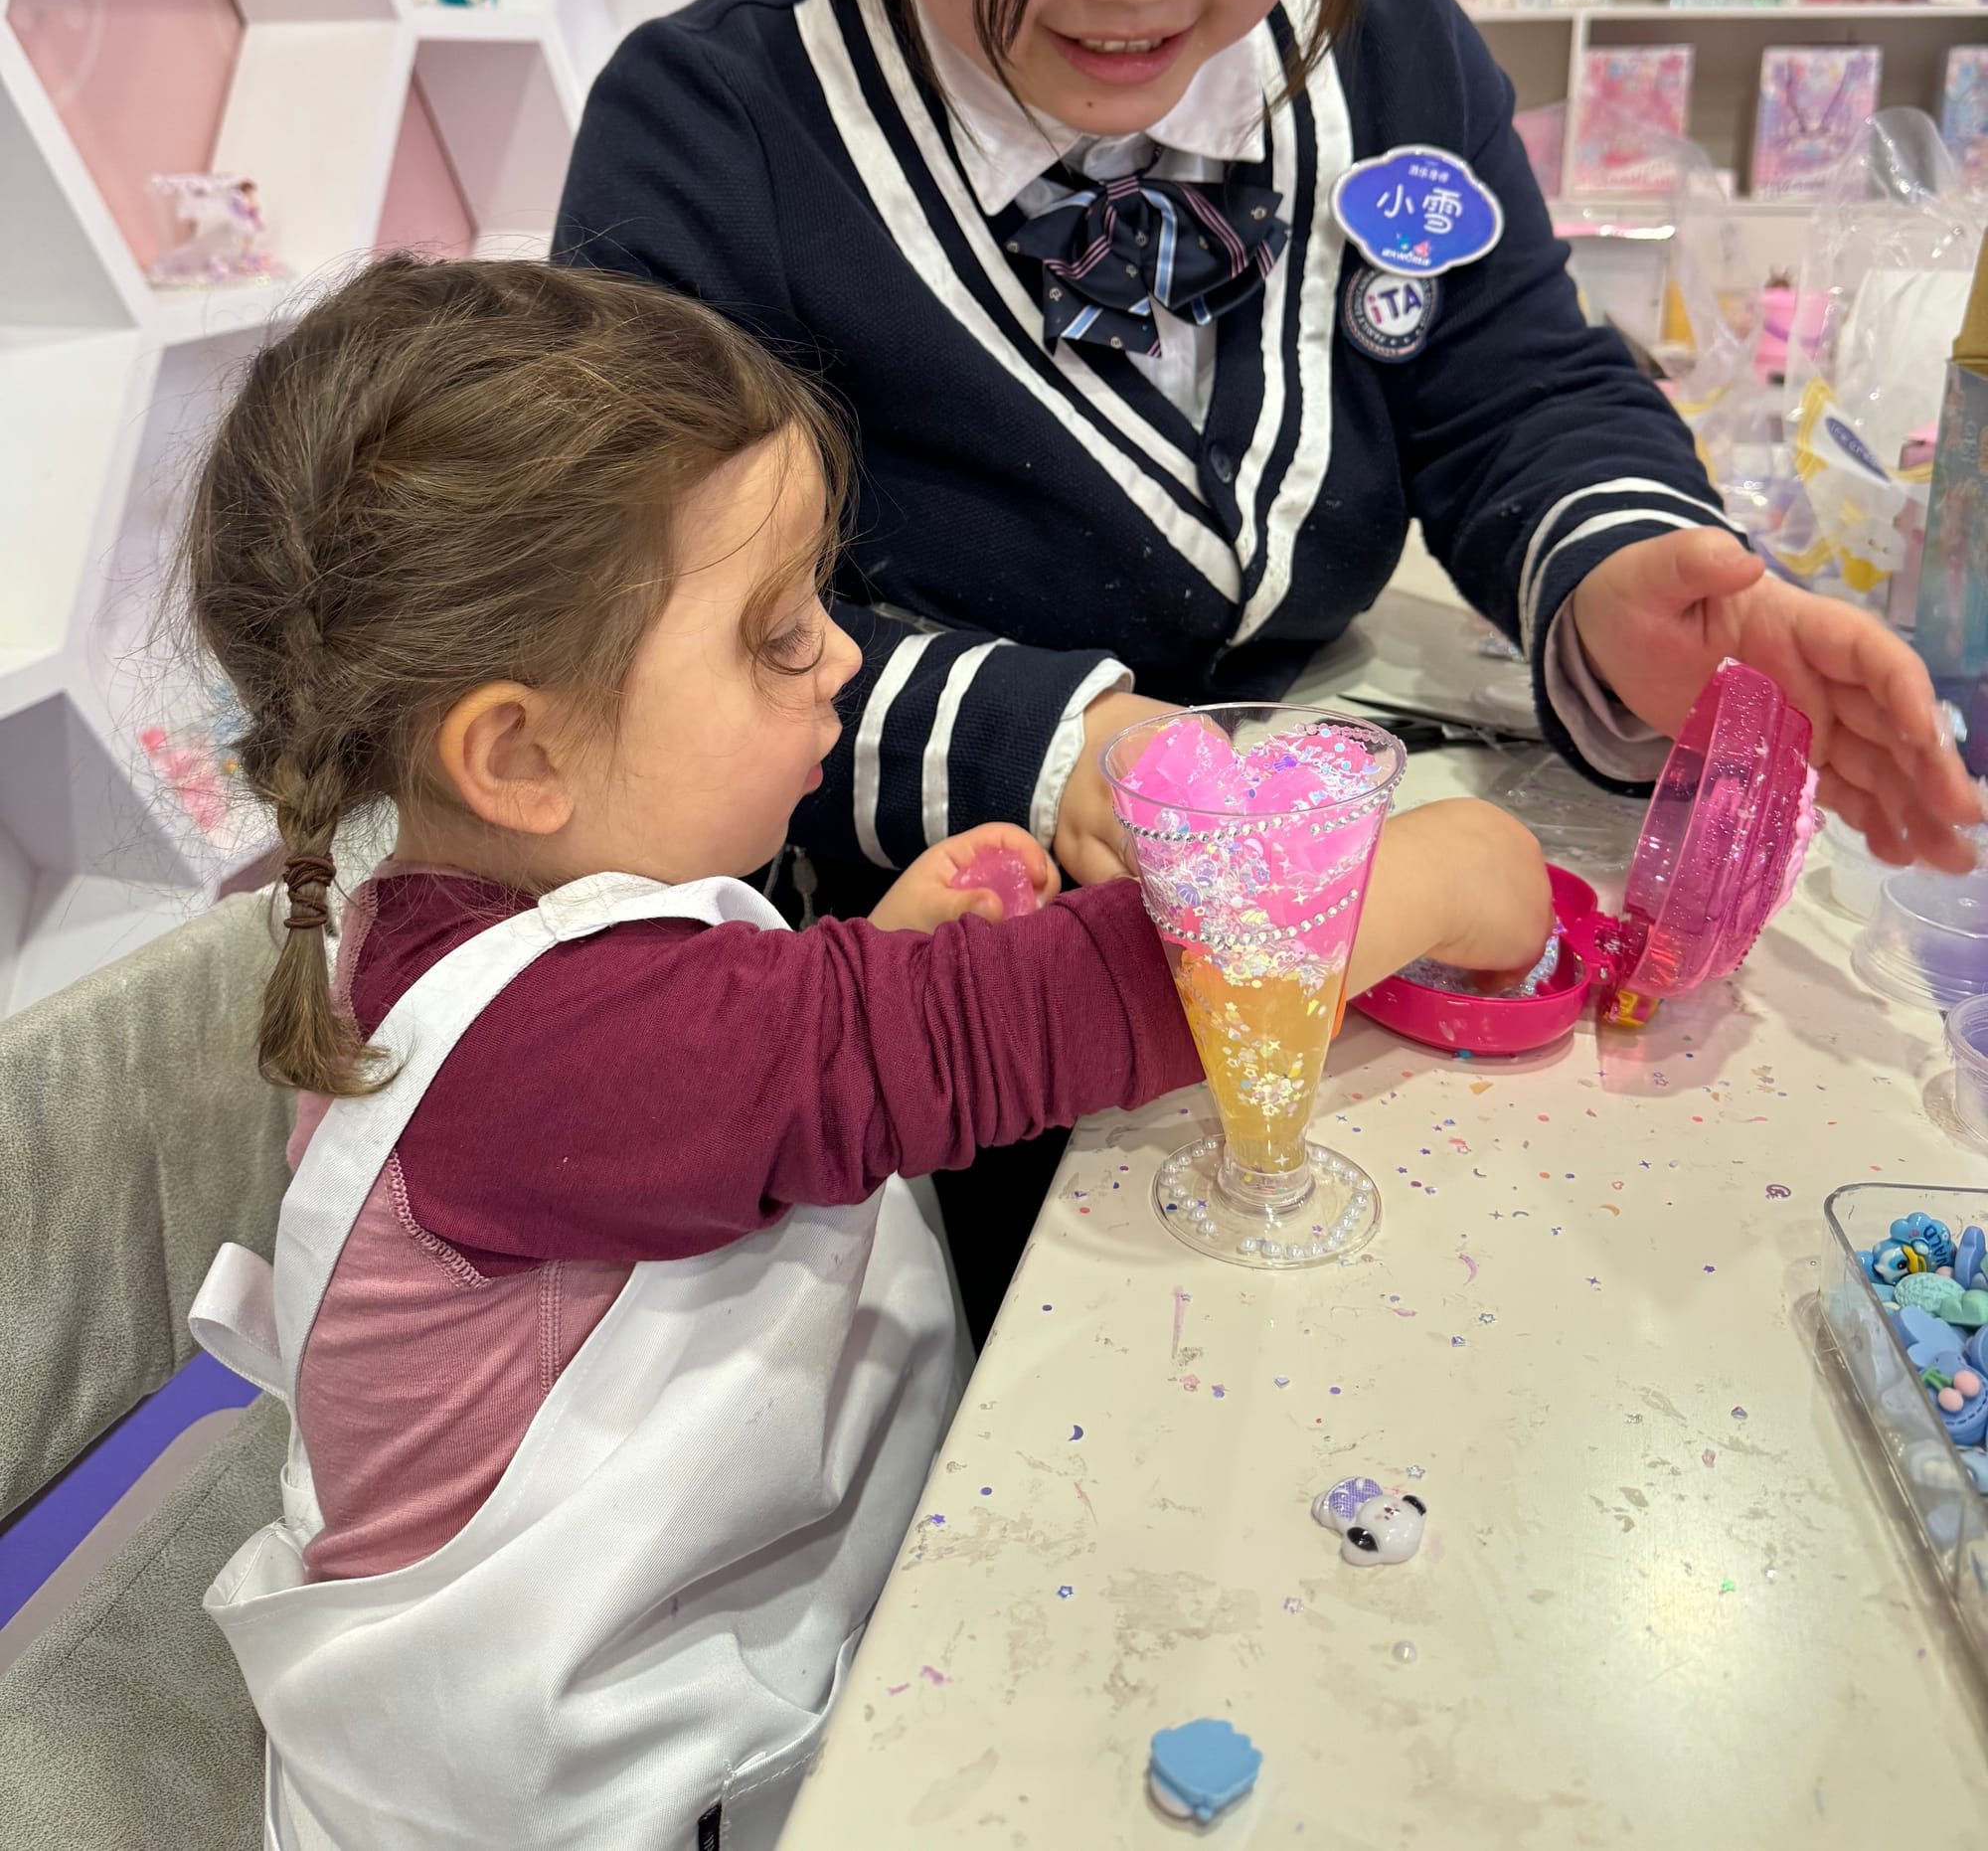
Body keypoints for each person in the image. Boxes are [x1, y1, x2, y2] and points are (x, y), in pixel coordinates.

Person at [556, 0, 1976, 1325]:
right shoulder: (720, 131)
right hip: (921, 1024)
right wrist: (1074, 754)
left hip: (1337, 966)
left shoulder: (1376, 43)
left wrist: (1643, 579)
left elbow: (1508, 372)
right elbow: (650, 631)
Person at [181, 254, 1552, 1851]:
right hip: (583, 1786)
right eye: (772, 636)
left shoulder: (469, 903)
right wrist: (1428, 872)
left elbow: (725, 1097)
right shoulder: (550, 1050)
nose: (839, 657)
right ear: (520, 751)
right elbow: (1042, 1020)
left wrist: (877, 961)